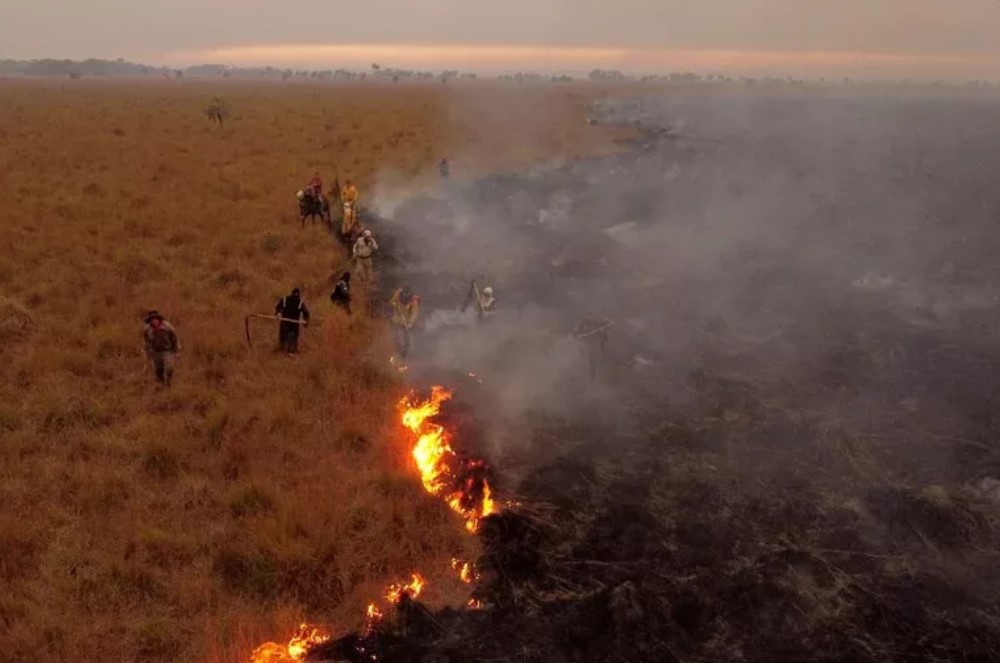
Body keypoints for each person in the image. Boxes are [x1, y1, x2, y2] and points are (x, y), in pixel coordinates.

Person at [142, 310, 180, 386]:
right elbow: (147, 341)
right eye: (152, 320)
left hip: (167, 351)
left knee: (169, 368)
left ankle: (168, 383)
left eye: (155, 319)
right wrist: (148, 352)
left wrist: (175, 349)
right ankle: (161, 386)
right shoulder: (147, 329)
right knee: (158, 370)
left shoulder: (167, 326)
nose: (154, 321)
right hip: (155, 352)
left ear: (158, 319)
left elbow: (174, 338)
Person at [275, 288, 310, 356]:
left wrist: (305, 320)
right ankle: (282, 349)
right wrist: (278, 313)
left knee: (294, 337)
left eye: (297, 295)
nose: (296, 297)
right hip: (284, 321)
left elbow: (306, 313)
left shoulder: (300, 302)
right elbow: (278, 307)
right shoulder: (285, 299)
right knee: (283, 337)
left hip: (294, 323)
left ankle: (292, 351)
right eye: (295, 295)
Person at [389, 286, 420, 360]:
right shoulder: (397, 295)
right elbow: (392, 302)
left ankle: (407, 353)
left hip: (407, 321)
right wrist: (395, 305)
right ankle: (398, 352)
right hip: (397, 320)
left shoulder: (414, 300)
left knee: (408, 338)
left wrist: (410, 324)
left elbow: (414, 313)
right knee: (398, 337)